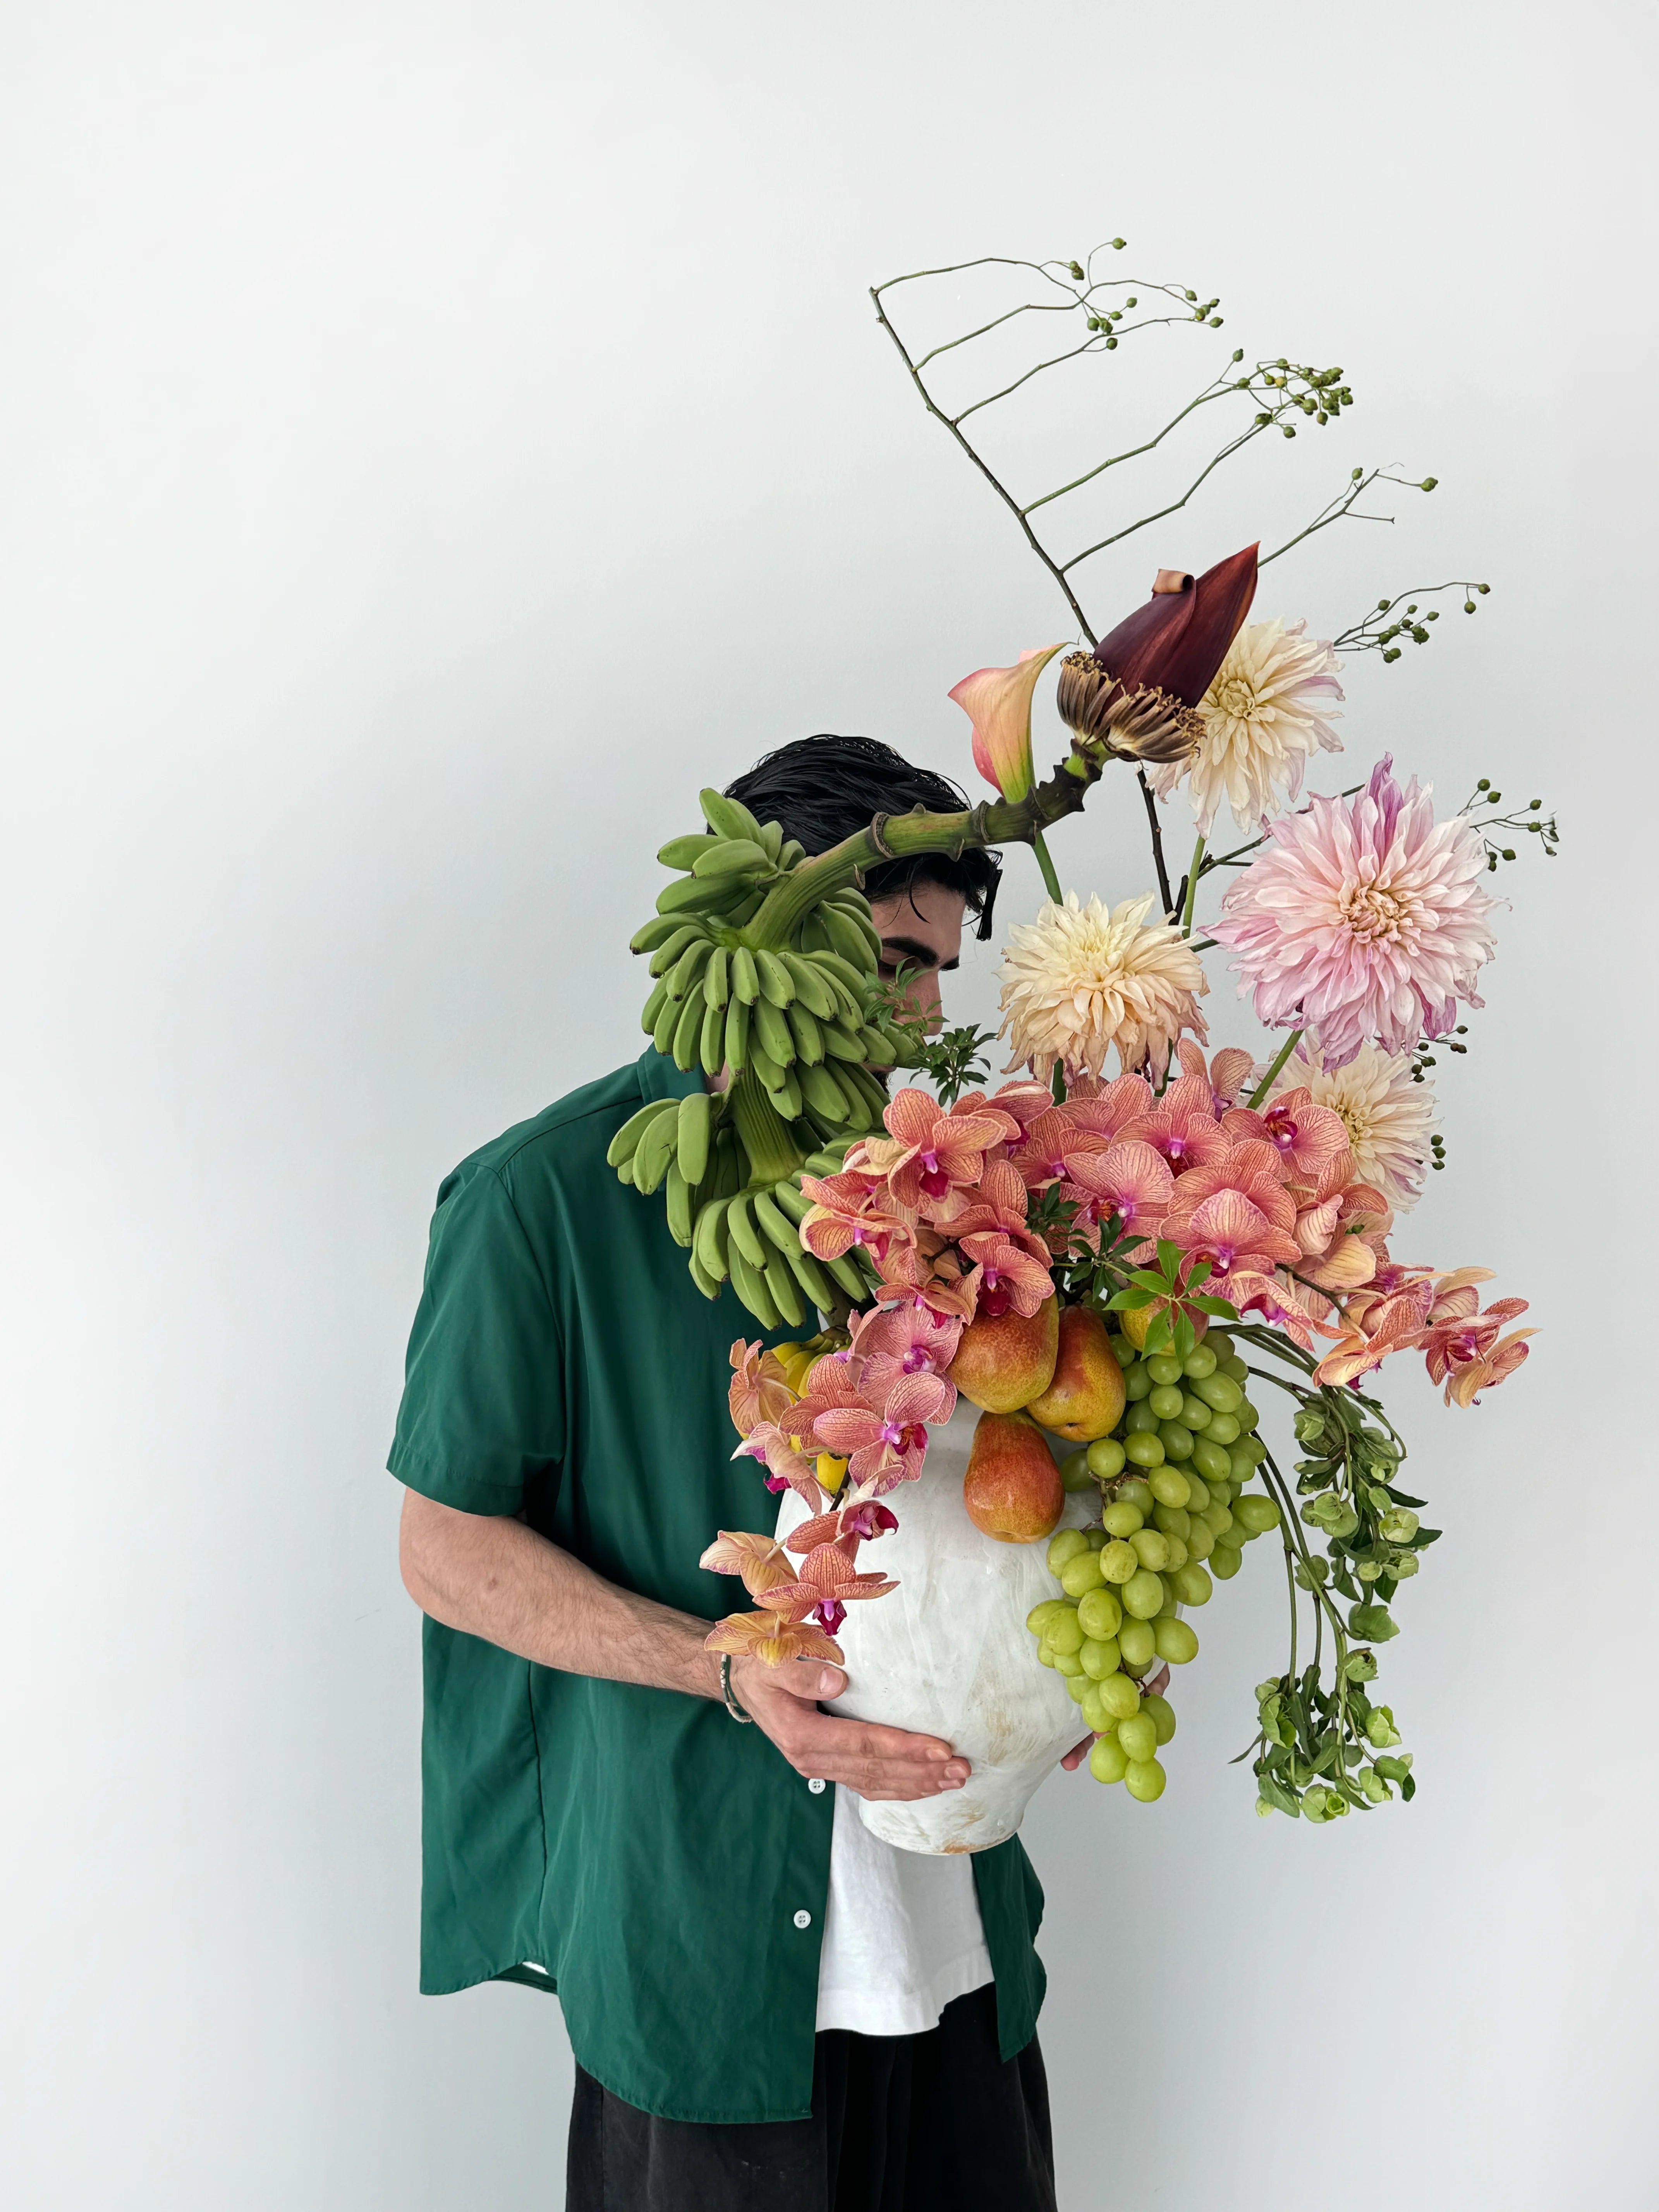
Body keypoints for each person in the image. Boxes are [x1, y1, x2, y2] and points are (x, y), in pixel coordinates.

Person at [391, 736, 1060, 2210]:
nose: (927, 1014)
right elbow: (444, 1546)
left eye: (943, 971)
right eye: (899, 959)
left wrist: (1058, 1655)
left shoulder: (947, 1198)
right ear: (764, 927)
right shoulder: (541, 1200)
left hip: (957, 1930)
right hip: (698, 1942)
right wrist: (721, 1663)